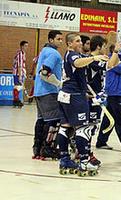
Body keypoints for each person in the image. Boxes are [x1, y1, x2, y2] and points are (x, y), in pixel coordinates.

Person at [57, 33, 120, 176]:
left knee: (65, 127)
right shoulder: (73, 55)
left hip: (67, 94)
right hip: (75, 96)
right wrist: (94, 57)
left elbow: (110, 64)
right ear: (69, 44)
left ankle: (65, 159)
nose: (82, 43)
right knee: (83, 129)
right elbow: (77, 63)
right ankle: (85, 162)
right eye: (78, 41)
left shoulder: (79, 56)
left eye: (81, 41)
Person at [32, 30, 63, 160]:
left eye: (61, 39)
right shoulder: (54, 54)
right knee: (52, 120)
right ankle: (47, 148)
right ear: (51, 40)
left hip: (39, 91)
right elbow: (44, 73)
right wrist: (58, 83)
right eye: (58, 39)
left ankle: (37, 148)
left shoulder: (44, 51)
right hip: (48, 91)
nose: (60, 41)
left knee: (41, 120)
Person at [96, 44, 121, 151]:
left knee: (109, 118)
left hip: (116, 92)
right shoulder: (111, 60)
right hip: (114, 92)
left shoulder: (118, 59)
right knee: (119, 119)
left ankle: (101, 141)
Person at [12, 40, 28, 107]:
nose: (26, 47)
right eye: (25, 46)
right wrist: (20, 75)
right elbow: (19, 65)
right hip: (18, 73)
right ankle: (16, 101)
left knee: (18, 87)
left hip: (21, 72)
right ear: (22, 46)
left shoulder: (23, 53)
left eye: (27, 46)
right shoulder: (20, 54)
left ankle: (16, 100)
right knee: (17, 87)